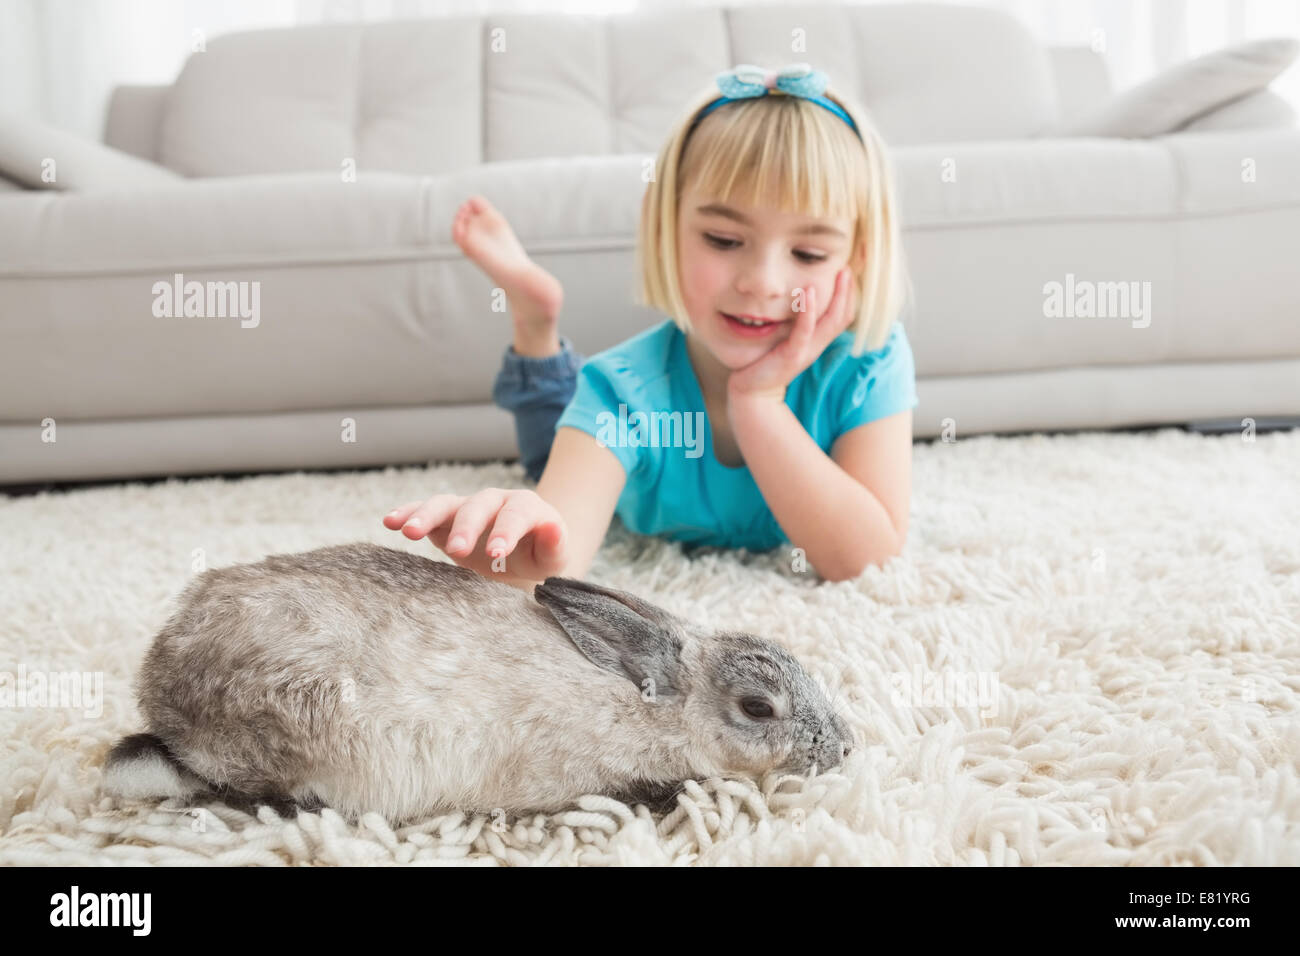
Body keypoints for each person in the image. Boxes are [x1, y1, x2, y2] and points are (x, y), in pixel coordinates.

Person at [384, 63, 918, 587]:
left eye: (808, 251)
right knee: (548, 440)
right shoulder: (620, 391)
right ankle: (536, 329)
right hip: (593, 412)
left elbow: (865, 562)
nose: (763, 282)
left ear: (859, 258)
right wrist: (513, 553)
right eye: (724, 241)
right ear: (664, 227)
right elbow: (552, 558)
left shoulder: (869, 360)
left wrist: (760, 402)